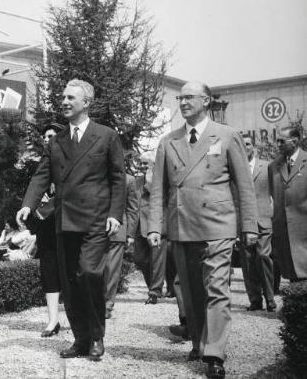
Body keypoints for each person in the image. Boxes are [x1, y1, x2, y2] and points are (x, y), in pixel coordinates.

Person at [148, 81, 258, 379]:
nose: (183, 102)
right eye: (180, 97)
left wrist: (249, 225)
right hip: (182, 228)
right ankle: (199, 343)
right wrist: (155, 227)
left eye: (189, 97)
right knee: (193, 294)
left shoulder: (226, 135)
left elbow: (244, 186)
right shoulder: (168, 141)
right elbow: (159, 188)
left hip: (218, 226)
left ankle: (214, 353)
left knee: (217, 290)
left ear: (206, 101)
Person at [17, 79, 125, 361]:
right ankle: (81, 339)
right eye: (62, 97)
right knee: (70, 282)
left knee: (89, 274)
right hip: (65, 222)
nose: (64, 102)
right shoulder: (57, 141)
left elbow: (117, 179)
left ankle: (97, 335)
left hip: (95, 220)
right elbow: (42, 175)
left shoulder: (106, 136)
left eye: (70, 98)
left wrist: (115, 213)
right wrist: (28, 205)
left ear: (86, 102)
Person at [32, 123, 65, 337]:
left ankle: (79, 318)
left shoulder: (68, 164)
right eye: (45, 136)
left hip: (68, 226)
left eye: (51, 135)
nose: (47, 138)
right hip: (46, 227)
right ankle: (53, 320)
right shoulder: (38, 166)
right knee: (49, 272)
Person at [239, 134, 277, 311]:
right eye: (241, 144)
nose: (244, 147)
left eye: (247, 144)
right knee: (247, 261)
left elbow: (275, 192)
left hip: (263, 220)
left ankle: (270, 297)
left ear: (253, 147)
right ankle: (255, 299)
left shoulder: (267, 166)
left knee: (263, 256)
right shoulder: (235, 168)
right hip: (245, 222)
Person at [268, 126, 307, 282]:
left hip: (304, 229)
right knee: (293, 275)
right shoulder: (274, 167)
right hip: (285, 232)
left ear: (295, 141)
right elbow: (272, 195)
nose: (278, 144)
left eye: (281, 141)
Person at [132, 150, 169, 305]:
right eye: (140, 163)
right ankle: (153, 287)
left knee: (157, 260)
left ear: (153, 165)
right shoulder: (137, 181)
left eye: (145, 163)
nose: (141, 166)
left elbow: (159, 198)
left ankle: (155, 292)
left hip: (157, 226)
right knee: (140, 259)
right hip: (140, 226)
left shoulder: (161, 180)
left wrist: (149, 181)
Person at [103, 172, 138, 318]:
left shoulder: (129, 180)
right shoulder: (98, 174)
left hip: (117, 232)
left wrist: (130, 234)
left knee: (111, 269)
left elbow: (132, 208)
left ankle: (107, 305)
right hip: (94, 228)